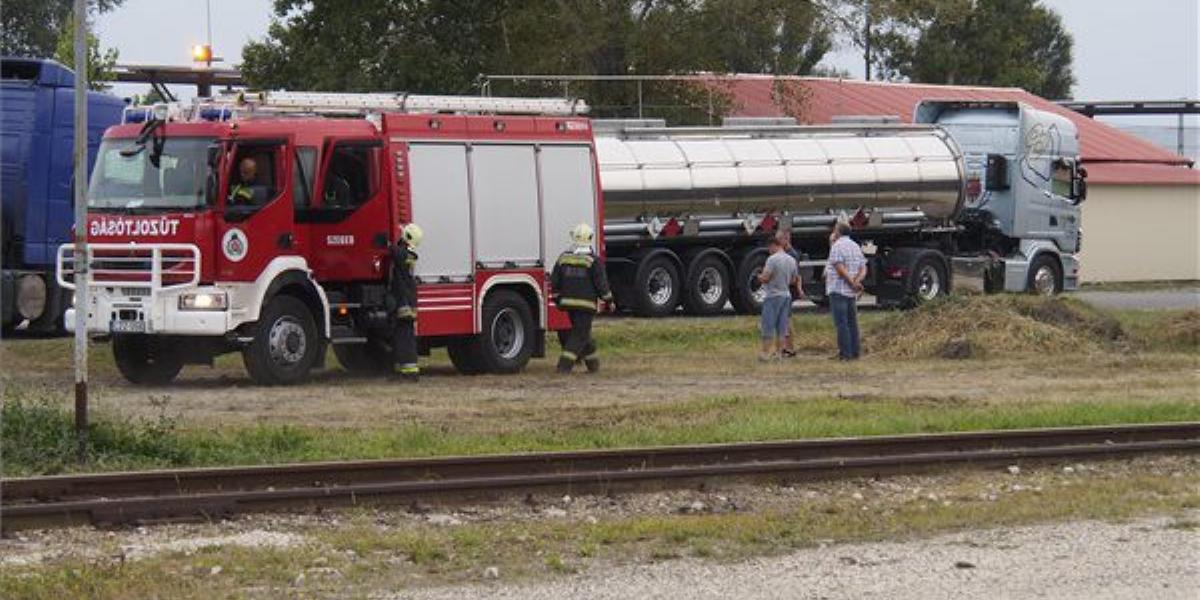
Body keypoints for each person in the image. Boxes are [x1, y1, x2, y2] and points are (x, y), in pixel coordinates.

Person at [550, 223, 613, 374]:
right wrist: (609, 301)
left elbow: (555, 281)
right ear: (590, 238)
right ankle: (564, 366)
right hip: (586, 305)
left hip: (568, 305)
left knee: (583, 333)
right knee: (579, 334)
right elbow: (601, 284)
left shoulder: (563, 258)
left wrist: (558, 299)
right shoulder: (593, 261)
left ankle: (593, 365)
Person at [824, 222, 868, 360]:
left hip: (838, 289)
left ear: (838, 231)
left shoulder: (837, 246)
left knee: (841, 323)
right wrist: (857, 281)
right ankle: (855, 352)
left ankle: (845, 354)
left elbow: (839, 268)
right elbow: (863, 267)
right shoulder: (855, 246)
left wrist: (851, 282)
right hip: (850, 292)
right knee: (852, 322)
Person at [388, 223, 423, 381]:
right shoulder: (409, 254)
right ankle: (403, 369)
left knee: (405, 336)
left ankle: (410, 371)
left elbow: (395, 252)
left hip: (405, 302)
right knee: (401, 335)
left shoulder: (407, 254)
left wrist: (388, 244)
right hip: (406, 300)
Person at [757, 236, 800, 362]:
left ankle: (765, 353)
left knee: (768, 325)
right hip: (786, 295)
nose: (769, 250)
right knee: (782, 327)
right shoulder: (791, 259)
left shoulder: (772, 259)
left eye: (769, 248)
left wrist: (759, 277)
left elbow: (766, 277)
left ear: (773, 245)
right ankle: (779, 354)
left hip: (773, 295)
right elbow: (794, 279)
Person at [775, 230, 804, 358]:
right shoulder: (784, 254)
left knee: (785, 320)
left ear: (785, 240)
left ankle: (789, 348)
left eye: (778, 240)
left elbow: (795, 276)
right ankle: (785, 347)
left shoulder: (792, 255)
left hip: (787, 291)